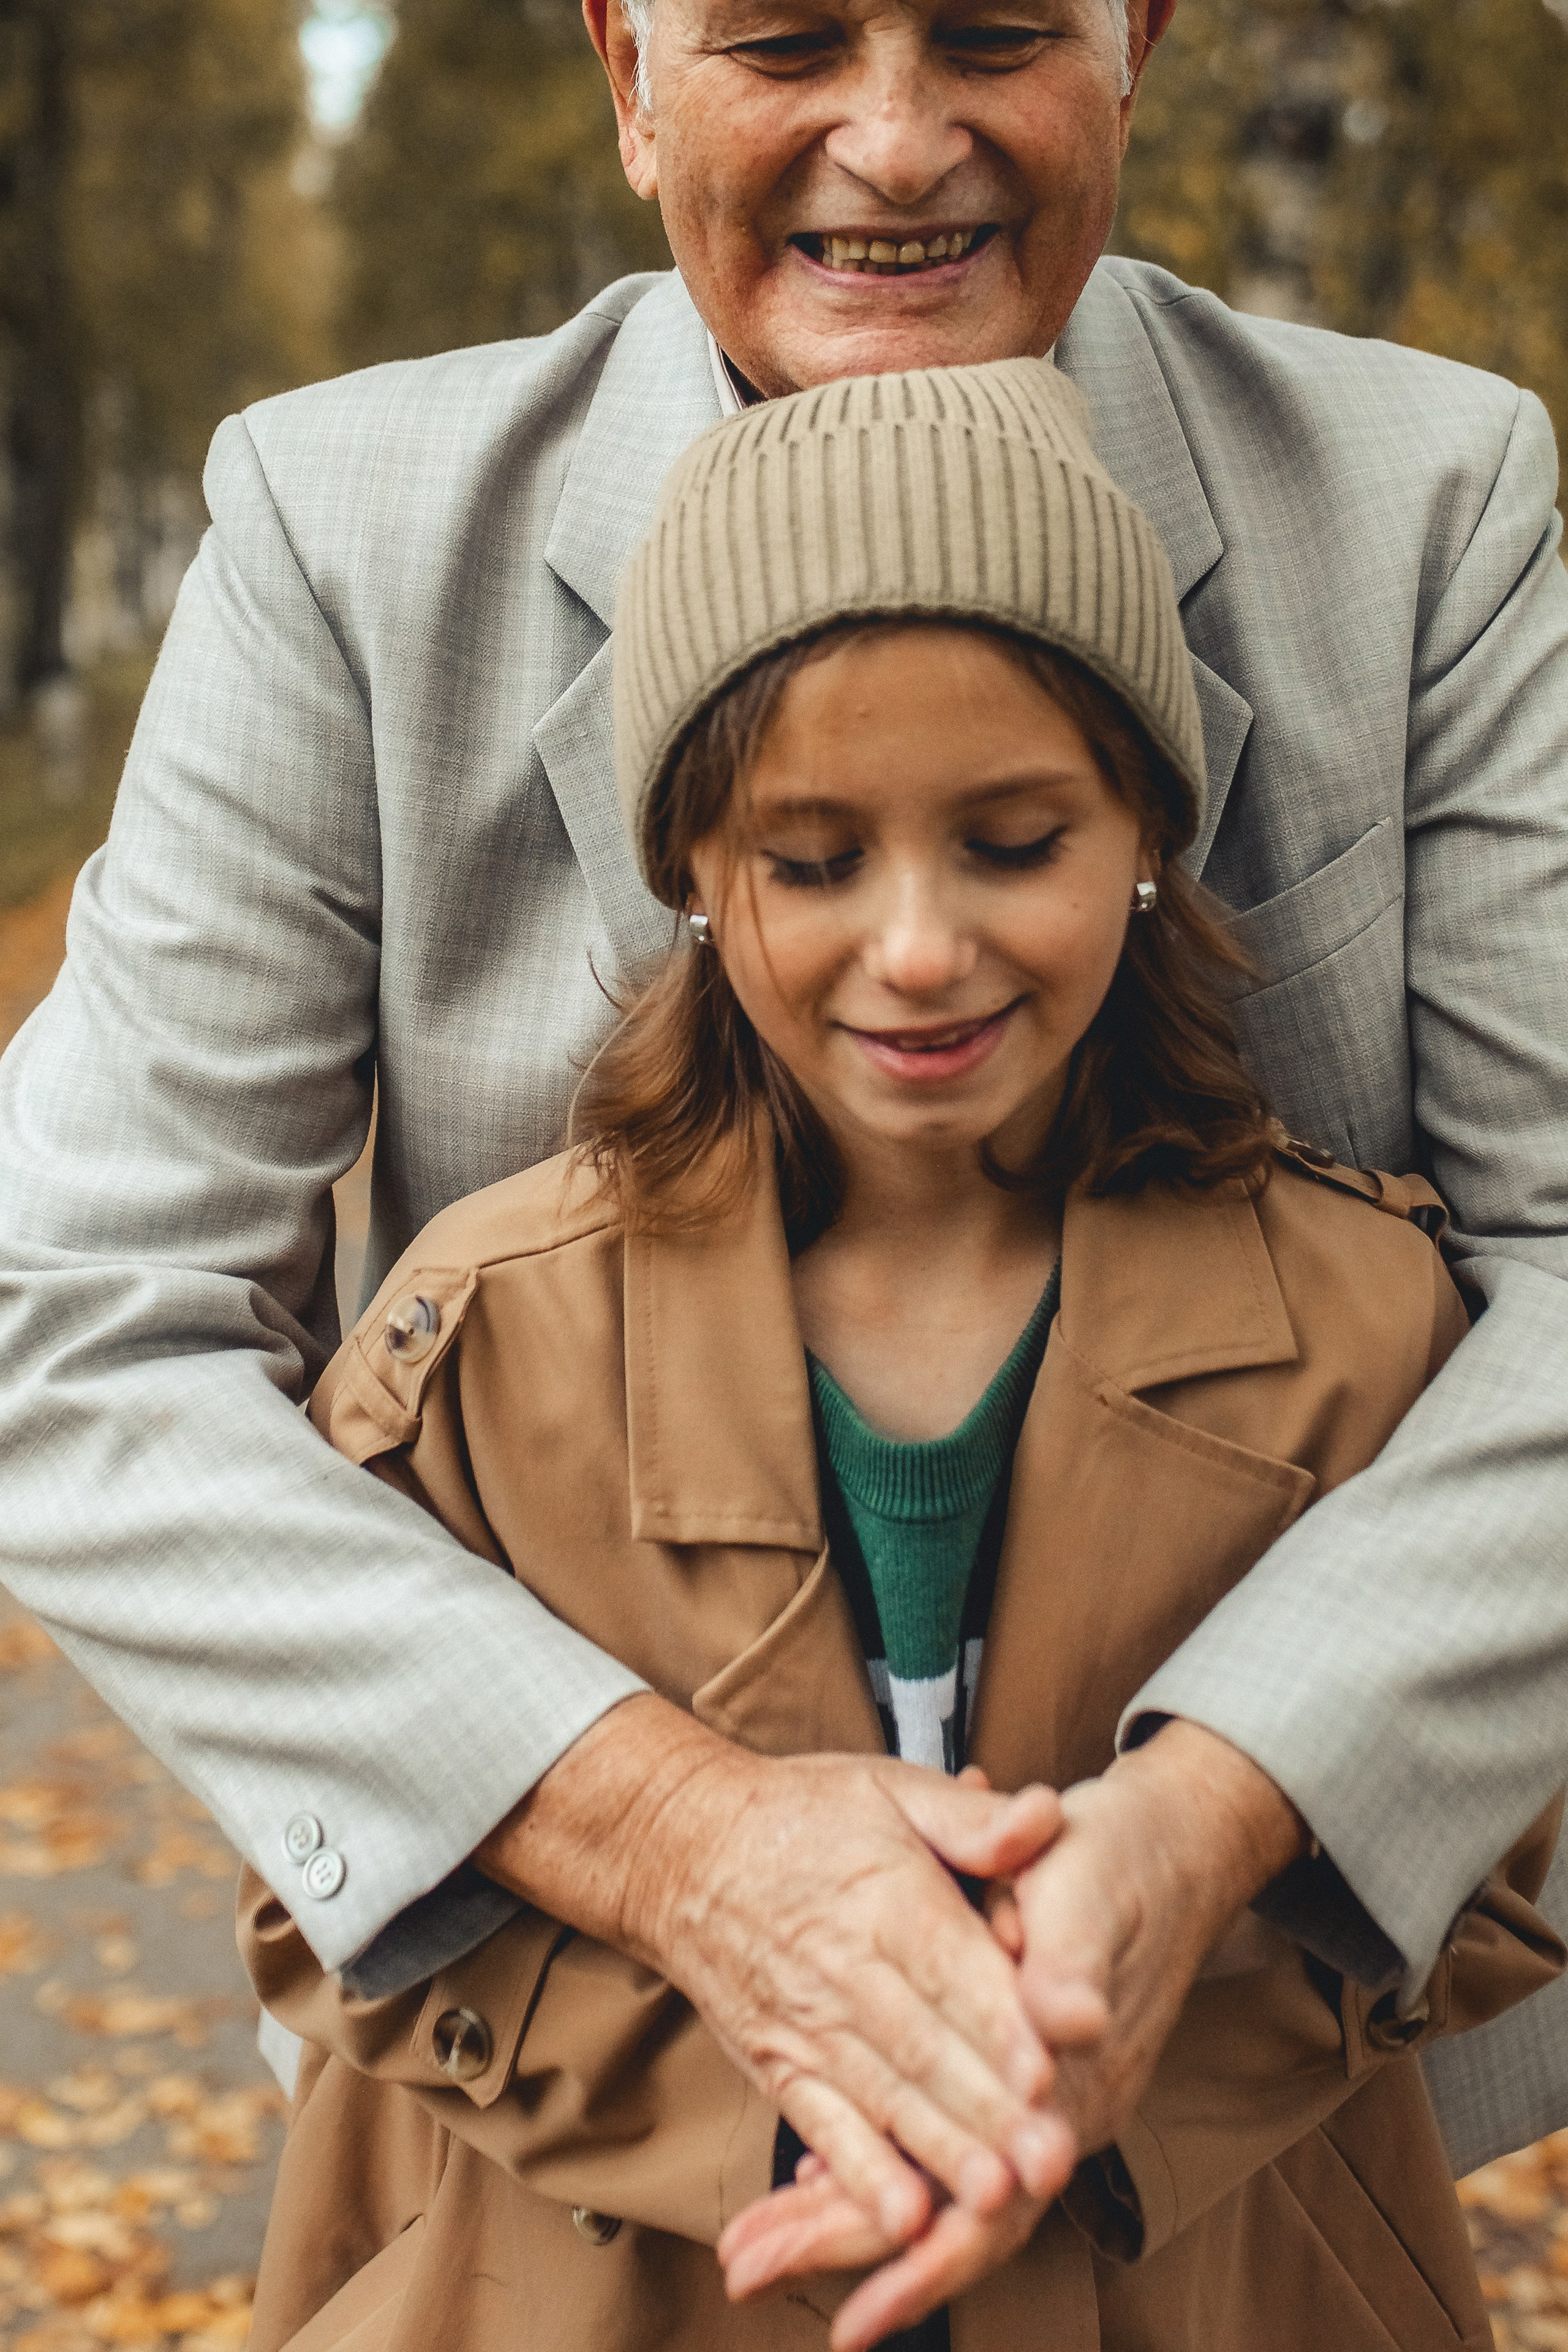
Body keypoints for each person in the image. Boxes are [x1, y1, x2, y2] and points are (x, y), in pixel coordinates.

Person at [1, 0, 1566, 2301]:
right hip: (569, 2136)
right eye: (788, 40)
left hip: (1236, 2138)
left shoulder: (1429, 505)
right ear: (631, 72)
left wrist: (1206, 1827)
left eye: (999, 33)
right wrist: (682, 1843)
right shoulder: (339, 534)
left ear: (1136, 39)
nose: (898, 140)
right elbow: (69, 1329)